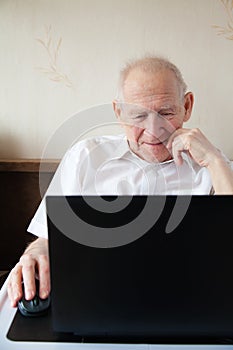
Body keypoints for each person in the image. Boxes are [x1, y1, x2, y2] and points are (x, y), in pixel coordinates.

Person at [7, 55, 233, 307]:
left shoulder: (214, 165)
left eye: (166, 112)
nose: (153, 130)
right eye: (138, 116)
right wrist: (36, 253)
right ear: (118, 112)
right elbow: (47, 239)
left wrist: (214, 161)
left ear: (187, 106)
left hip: (192, 299)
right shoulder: (85, 157)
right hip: (97, 300)